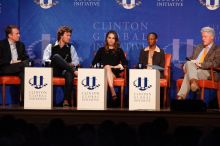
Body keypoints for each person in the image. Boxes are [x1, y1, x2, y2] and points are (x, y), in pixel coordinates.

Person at [177, 27, 220, 99]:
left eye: (205, 37)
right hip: (193, 68)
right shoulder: (198, 47)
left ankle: (181, 97)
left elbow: (216, 63)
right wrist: (189, 63)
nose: (203, 39)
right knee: (189, 63)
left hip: (208, 72)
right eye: (202, 37)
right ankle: (194, 82)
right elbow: (191, 59)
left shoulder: (217, 49)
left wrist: (200, 64)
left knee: (188, 74)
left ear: (212, 37)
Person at [43, 26, 79, 107]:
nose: (69, 37)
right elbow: (45, 60)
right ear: (61, 35)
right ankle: (74, 71)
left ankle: (66, 100)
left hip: (65, 71)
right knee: (56, 57)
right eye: (67, 35)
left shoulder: (71, 47)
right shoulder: (50, 46)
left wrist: (70, 64)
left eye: (70, 35)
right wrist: (58, 62)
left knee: (69, 73)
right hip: (54, 71)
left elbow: (76, 61)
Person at [92, 30, 128, 100]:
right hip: (102, 73)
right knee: (107, 67)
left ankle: (110, 92)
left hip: (114, 73)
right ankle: (112, 90)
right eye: (109, 38)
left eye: (113, 38)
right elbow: (94, 63)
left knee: (108, 67)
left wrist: (112, 66)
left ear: (115, 40)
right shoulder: (101, 50)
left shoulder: (119, 50)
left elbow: (125, 63)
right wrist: (104, 67)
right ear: (106, 39)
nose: (111, 40)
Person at [0, 25, 30, 105]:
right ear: (10, 35)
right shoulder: (1, 44)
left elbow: (26, 57)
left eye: (19, 33)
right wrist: (11, 61)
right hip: (6, 68)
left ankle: (23, 101)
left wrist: (24, 61)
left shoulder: (21, 45)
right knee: (24, 65)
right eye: (17, 34)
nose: (19, 35)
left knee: (24, 73)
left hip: (19, 68)